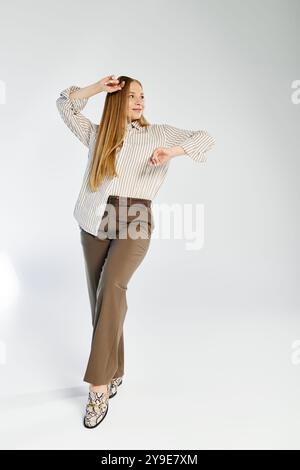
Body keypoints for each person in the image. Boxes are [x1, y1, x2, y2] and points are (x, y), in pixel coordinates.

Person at [56, 74, 216, 429]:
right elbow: (65, 104)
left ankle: (98, 387)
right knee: (101, 300)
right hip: (94, 220)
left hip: (135, 218)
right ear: (117, 100)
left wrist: (172, 152)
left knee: (113, 287)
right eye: (131, 96)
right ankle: (116, 370)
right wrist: (98, 88)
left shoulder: (157, 133)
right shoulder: (98, 135)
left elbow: (205, 138)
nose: (140, 101)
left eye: (142, 95)